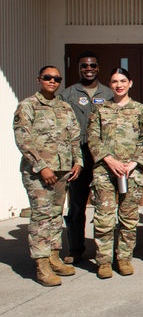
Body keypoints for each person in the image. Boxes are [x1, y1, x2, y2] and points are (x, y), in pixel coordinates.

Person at [14, 66, 82, 286]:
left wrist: (78, 161)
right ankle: (41, 264)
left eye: (56, 79)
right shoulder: (28, 106)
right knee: (41, 217)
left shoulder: (64, 107)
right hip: (38, 173)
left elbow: (74, 137)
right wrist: (42, 166)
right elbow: (23, 140)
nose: (52, 81)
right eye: (47, 77)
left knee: (55, 215)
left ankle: (54, 256)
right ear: (39, 79)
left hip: (62, 171)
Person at [87, 68, 143, 278]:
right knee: (103, 218)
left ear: (130, 83)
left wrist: (134, 163)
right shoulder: (101, 109)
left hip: (131, 171)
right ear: (110, 84)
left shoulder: (140, 110)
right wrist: (109, 159)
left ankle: (123, 258)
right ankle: (104, 261)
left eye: (123, 81)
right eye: (114, 81)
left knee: (129, 218)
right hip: (105, 170)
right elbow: (93, 139)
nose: (119, 85)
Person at [59, 51, 114, 264]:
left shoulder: (109, 94)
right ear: (79, 68)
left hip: (103, 157)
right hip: (78, 158)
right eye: (84, 66)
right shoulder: (68, 95)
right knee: (76, 206)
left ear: (98, 67)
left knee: (105, 205)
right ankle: (75, 249)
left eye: (92, 65)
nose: (88, 69)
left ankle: (106, 251)